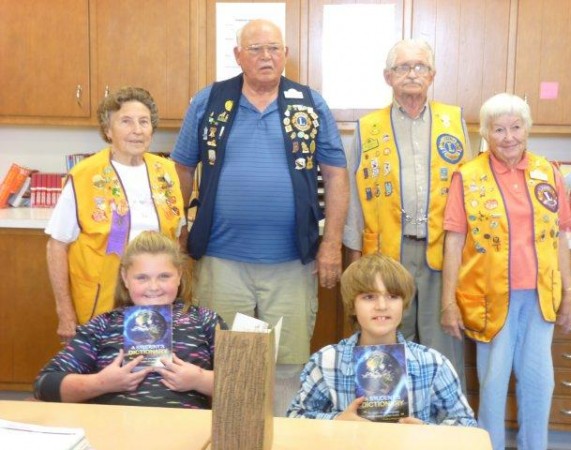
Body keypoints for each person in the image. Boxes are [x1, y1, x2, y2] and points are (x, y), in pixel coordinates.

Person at [170, 19, 348, 415]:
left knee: (287, 365)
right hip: (219, 259)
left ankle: (280, 436)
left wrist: (332, 243)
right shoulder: (209, 101)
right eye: (255, 49)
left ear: (285, 54)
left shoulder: (310, 103)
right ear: (238, 56)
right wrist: (177, 230)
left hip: (292, 261)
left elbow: (336, 176)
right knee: (223, 359)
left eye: (273, 48)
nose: (266, 57)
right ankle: (231, 435)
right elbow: (181, 169)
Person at [441, 93, 571, 450]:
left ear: (527, 129)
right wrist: (448, 303)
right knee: (493, 384)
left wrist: (570, 295)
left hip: (540, 298)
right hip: (491, 299)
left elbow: (560, 236)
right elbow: (453, 242)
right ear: (485, 133)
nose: (509, 137)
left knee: (538, 383)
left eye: (516, 127)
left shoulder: (548, 172)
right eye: (498, 129)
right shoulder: (468, 176)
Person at [343, 39, 472, 387]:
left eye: (420, 67)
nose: (412, 74)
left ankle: (442, 431)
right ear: (388, 77)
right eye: (403, 67)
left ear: (432, 75)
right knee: (384, 345)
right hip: (386, 256)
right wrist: (355, 264)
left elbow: (470, 191)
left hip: (441, 255)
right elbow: (354, 198)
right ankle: (383, 427)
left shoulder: (454, 120)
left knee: (441, 345)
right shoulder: (367, 126)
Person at [45, 86, 184, 341]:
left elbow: (176, 235)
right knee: (104, 372)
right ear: (108, 131)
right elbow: (56, 245)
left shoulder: (166, 171)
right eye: (126, 122)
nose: (137, 130)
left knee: (150, 371)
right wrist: (64, 311)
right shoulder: (84, 175)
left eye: (144, 122)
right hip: (102, 300)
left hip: (154, 299)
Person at [34, 230, 226, 408]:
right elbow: (44, 384)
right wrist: (102, 383)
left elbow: (248, 385)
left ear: (179, 276)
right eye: (141, 278)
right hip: (117, 432)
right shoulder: (103, 325)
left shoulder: (205, 321)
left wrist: (199, 380)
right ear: (125, 278)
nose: (153, 287)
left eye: (164, 276)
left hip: (187, 433)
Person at [287, 253, 476, 426]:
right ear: (352, 306)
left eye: (392, 296)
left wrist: (427, 432)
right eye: (369, 297)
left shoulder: (433, 363)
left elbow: (466, 424)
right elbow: (295, 418)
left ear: (404, 303)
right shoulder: (326, 362)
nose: (382, 306)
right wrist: (337, 421)